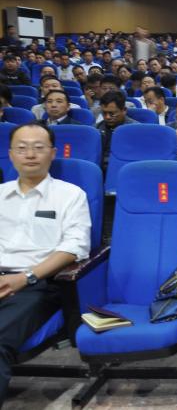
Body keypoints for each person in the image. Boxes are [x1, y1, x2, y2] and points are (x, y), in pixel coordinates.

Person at [0, 122, 91, 403]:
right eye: (22, 148)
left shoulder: (70, 195)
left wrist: (26, 277)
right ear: (11, 154)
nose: (30, 154)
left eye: (38, 148)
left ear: (52, 153)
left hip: (37, 284)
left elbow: (75, 247)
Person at [96, 91, 138, 169]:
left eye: (112, 113)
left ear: (124, 110)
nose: (107, 117)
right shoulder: (97, 128)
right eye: (104, 113)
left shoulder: (136, 130)